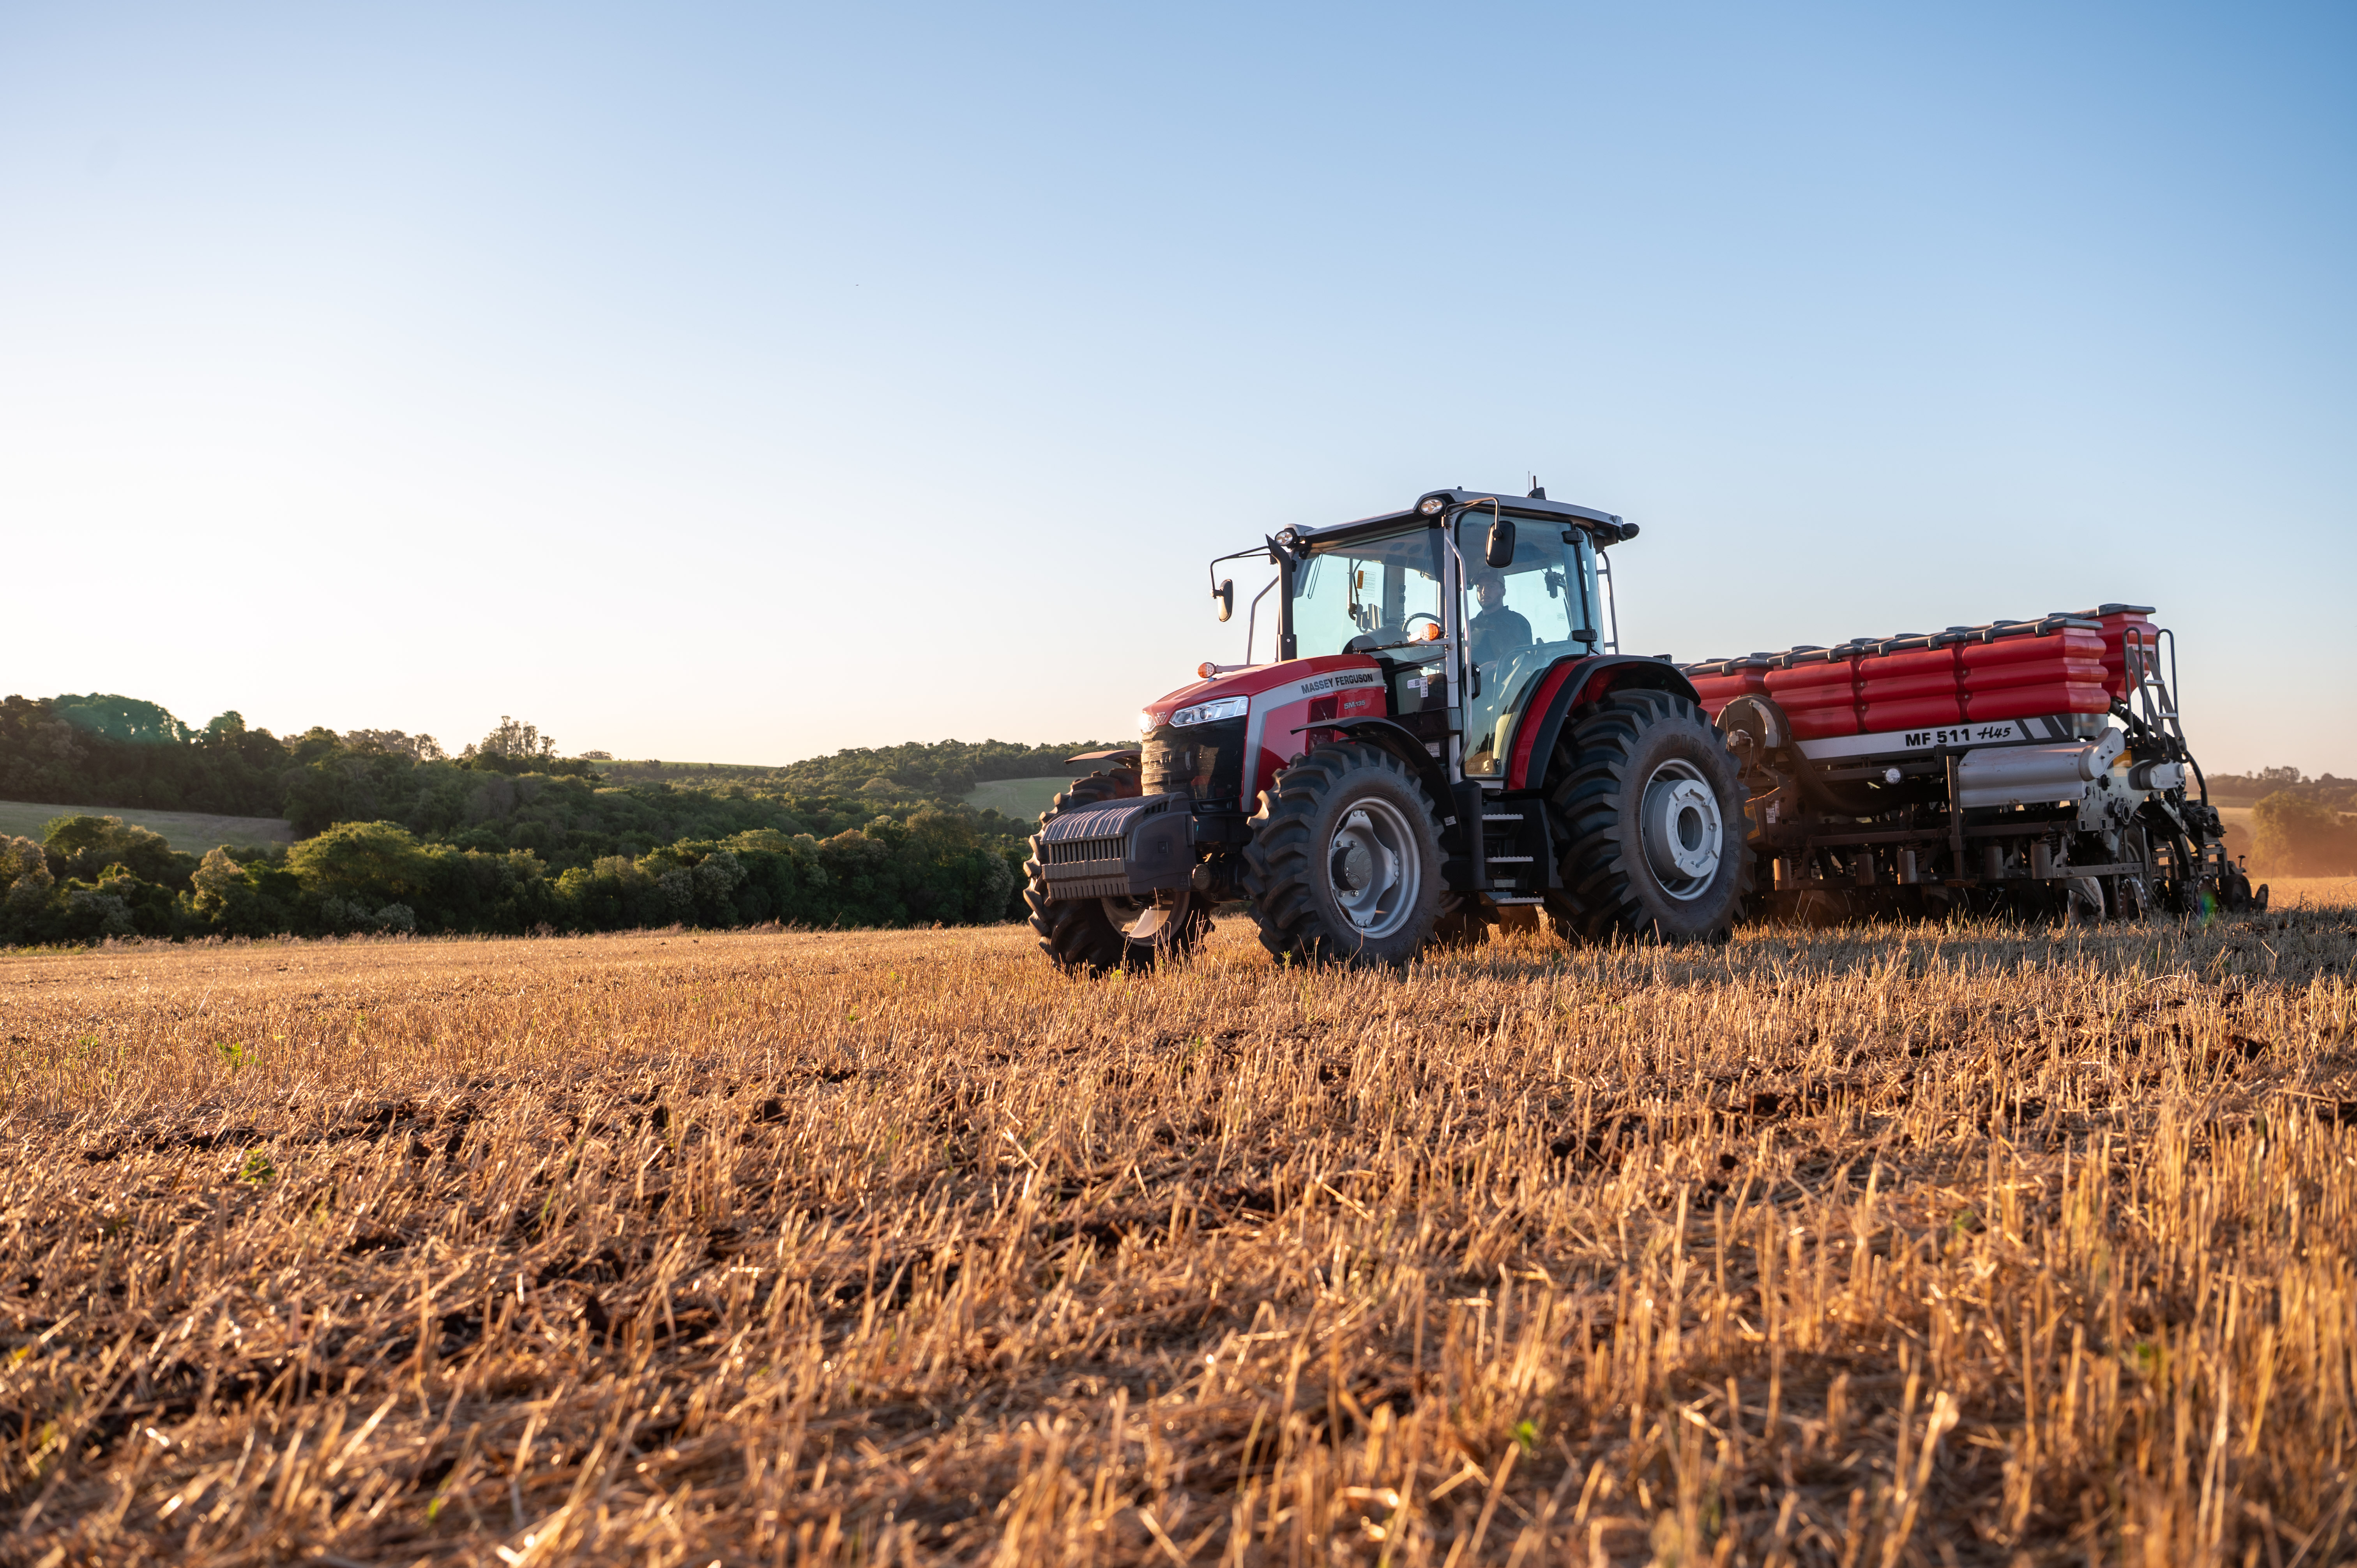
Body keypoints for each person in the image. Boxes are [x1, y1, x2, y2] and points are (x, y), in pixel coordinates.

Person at [1468, 570, 1532, 667]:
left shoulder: (1516, 621)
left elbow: (1524, 662)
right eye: (1480, 587)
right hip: (1469, 681)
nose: (1484, 591)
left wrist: (1492, 669)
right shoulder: (1471, 626)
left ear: (1503, 592)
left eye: (1491, 587)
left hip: (1506, 681)